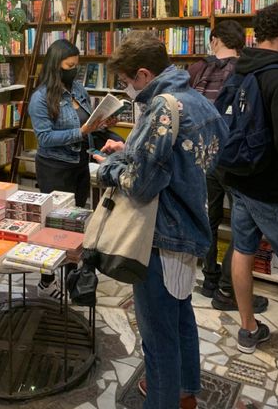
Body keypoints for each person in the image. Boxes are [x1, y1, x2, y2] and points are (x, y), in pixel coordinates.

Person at [94, 31, 228, 409]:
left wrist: (108, 169)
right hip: (189, 226)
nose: (126, 90)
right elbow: (193, 158)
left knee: (157, 336)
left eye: (125, 83)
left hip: (159, 233)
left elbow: (139, 184)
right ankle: (186, 390)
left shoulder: (161, 108)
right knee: (181, 313)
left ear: (142, 74)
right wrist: (133, 148)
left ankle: (164, 399)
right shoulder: (196, 100)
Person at [188, 21, 268, 314]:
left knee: (207, 218)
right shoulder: (249, 70)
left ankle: (209, 278)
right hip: (237, 160)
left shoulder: (196, 70)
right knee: (244, 226)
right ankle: (227, 287)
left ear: (214, 40)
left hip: (202, 156)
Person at [28, 39, 108, 298]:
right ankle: (46, 281)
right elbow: (45, 138)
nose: (74, 70)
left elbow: (87, 123)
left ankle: (72, 275)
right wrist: (81, 131)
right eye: (69, 65)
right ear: (56, 66)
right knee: (53, 227)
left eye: (76, 65)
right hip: (54, 166)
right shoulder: (40, 98)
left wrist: (99, 127)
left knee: (75, 224)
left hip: (79, 163)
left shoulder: (78, 89)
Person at [223, 2, 278, 353]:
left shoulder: (240, 69)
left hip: (237, 177)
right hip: (271, 187)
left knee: (242, 249)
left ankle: (248, 329)